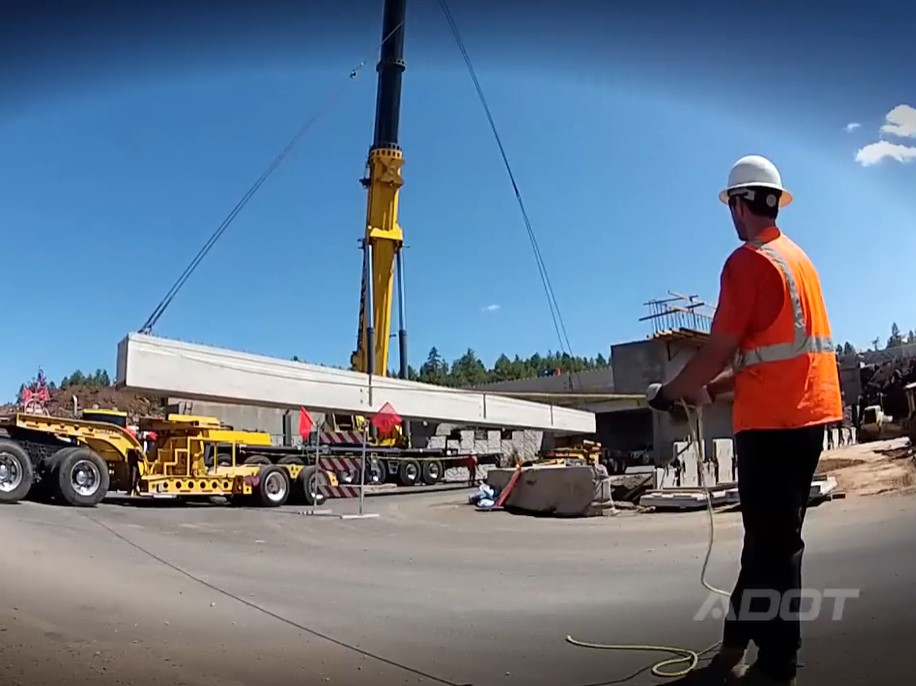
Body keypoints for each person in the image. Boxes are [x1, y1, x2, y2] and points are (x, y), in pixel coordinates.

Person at [647, 155, 844, 686]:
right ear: (775, 201)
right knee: (767, 540)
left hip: (773, 425)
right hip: (806, 415)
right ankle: (736, 640)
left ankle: (780, 661)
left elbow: (717, 349)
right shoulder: (797, 260)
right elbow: (770, 356)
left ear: (738, 205)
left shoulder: (748, 261)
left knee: (776, 546)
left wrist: (671, 392)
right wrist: (714, 388)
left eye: (731, 206)